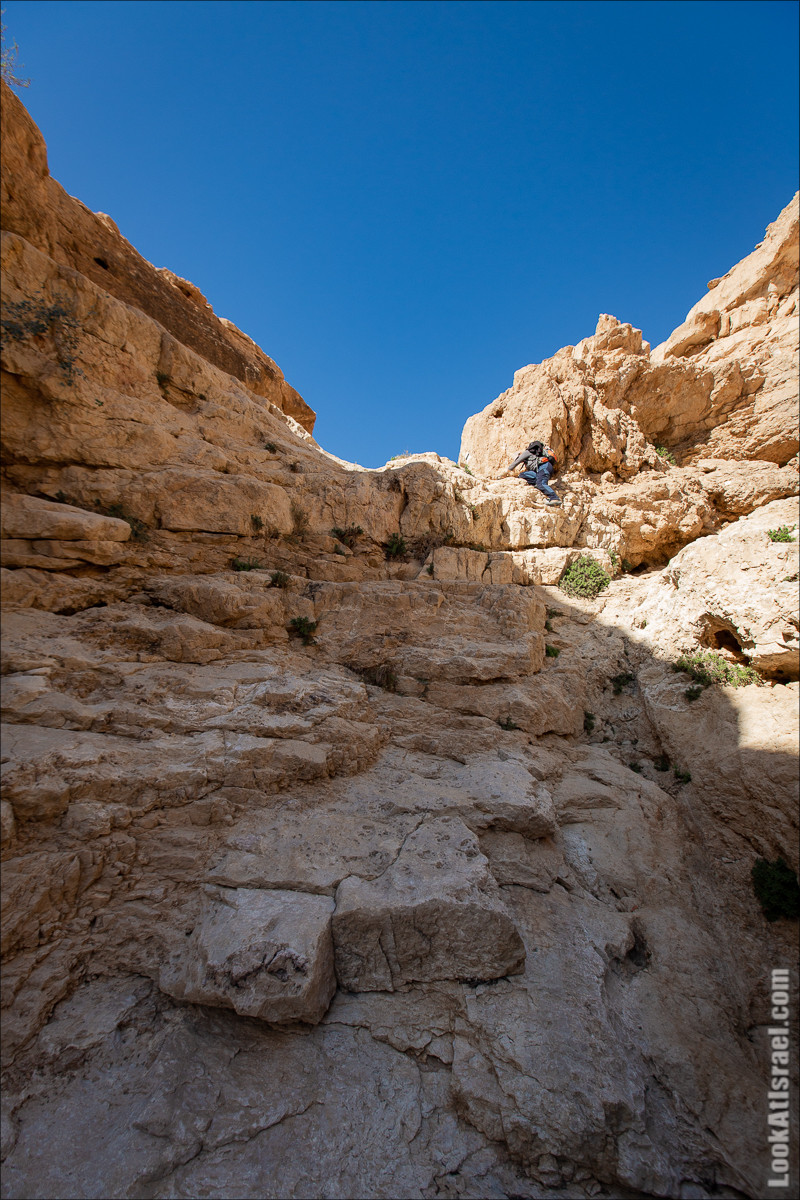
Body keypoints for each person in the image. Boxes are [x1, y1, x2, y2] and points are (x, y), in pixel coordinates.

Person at [507, 440, 562, 506]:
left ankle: (555, 498)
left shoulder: (527, 452)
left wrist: (506, 472)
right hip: (540, 469)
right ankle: (537, 483)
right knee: (522, 475)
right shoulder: (533, 455)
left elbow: (515, 463)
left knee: (541, 483)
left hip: (544, 466)